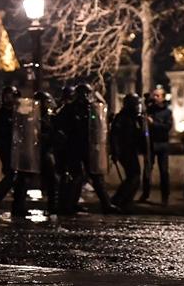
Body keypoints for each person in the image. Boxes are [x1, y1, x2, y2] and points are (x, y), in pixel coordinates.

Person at [54, 84, 116, 214]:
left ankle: (106, 204)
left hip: (90, 147)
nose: (86, 96)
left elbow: (101, 123)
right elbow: (59, 126)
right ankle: (70, 205)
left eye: (88, 93)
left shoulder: (92, 108)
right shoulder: (69, 109)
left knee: (95, 175)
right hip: (74, 147)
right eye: (84, 93)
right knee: (78, 176)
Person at [0, 85, 22, 214]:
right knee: (11, 175)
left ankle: (18, 206)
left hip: (19, 149)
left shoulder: (19, 113)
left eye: (12, 95)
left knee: (19, 177)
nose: (9, 98)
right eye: (7, 95)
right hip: (7, 149)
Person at [109, 93, 145, 209]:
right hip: (124, 151)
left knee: (134, 176)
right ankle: (118, 199)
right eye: (135, 104)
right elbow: (114, 136)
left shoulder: (133, 118)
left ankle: (125, 200)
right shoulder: (121, 117)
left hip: (131, 150)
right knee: (133, 176)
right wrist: (115, 151)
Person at [141, 88, 173, 205]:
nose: (155, 98)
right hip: (150, 143)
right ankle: (145, 194)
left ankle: (165, 196)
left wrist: (153, 123)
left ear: (163, 97)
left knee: (164, 171)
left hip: (162, 143)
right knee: (147, 170)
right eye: (154, 95)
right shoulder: (150, 109)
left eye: (158, 96)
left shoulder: (167, 112)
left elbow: (167, 127)